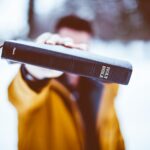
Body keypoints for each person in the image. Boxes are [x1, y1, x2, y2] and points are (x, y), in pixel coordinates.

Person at [8, 15, 124, 150]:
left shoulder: (105, 89)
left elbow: (116, 138)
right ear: (56, 43)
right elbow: (20, 96)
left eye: (80, 47)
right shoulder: (40, 87)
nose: (74, 54)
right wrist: (33, 73)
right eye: (68, 46)